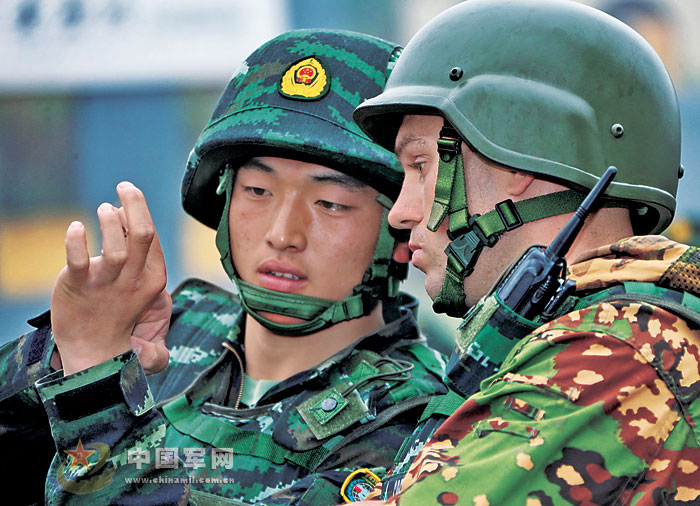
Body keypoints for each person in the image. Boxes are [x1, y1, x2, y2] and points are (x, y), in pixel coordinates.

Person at [0, 29, 448, 505]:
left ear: (400, 229)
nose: (283, 234)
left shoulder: (417, 424)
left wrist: (92, 383)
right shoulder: (173, 327)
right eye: (258, 192)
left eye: (331, 203)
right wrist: (62, 352)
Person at [351, 0, 700, 504]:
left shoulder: (616, 354)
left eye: (422, 166)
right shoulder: (604, 328)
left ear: (516, 154)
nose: (400, 212)